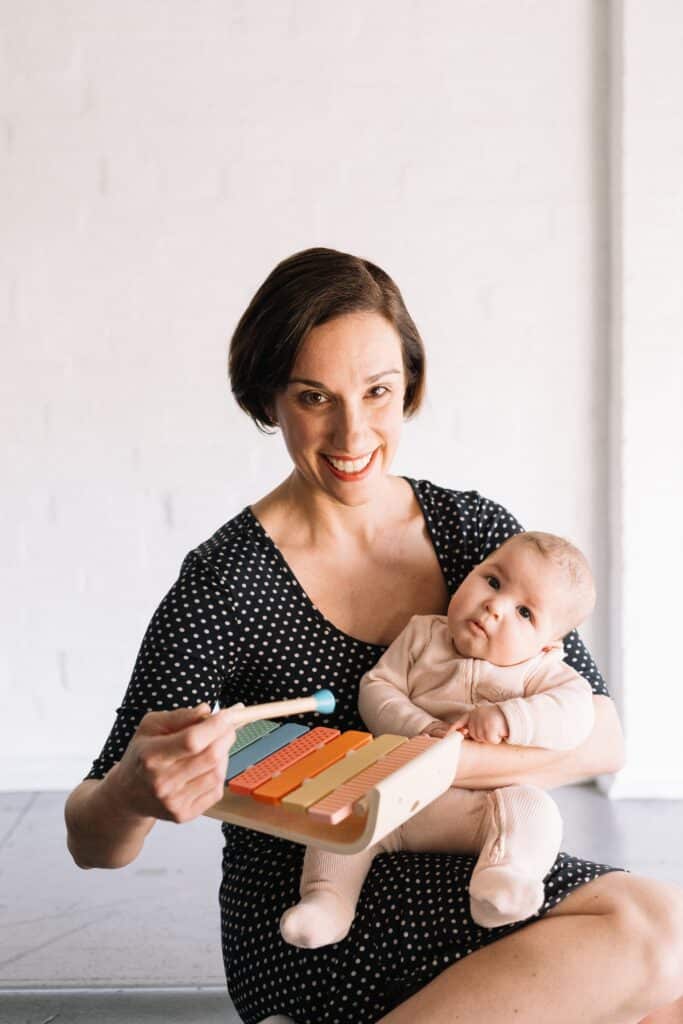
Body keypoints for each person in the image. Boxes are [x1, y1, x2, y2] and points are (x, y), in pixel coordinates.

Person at [64, 247, 683, 1024]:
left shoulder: (473, 538)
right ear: (269, 398)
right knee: (658, 933)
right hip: (314, 906)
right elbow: (93, 841)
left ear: (409, 387)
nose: (352, 431)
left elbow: (601, 739)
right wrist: (133, 790)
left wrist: (417, 766)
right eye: (313, 396)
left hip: (471, 867)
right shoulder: (225, 581)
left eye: (377, 391)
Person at [280, 530, 597, 948]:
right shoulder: (423, 634)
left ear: (548, 645)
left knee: (534, 809)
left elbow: (578, 716)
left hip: (482, 808)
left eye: (525, 613)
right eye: (493, 581)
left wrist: (508, 717)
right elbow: (376, 688)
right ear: (472, 572)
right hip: (396, 799)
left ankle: (501, 882)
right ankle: (326, 901)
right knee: (342, 811)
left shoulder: (542, 673)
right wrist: (420, 727)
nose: (495, 606)